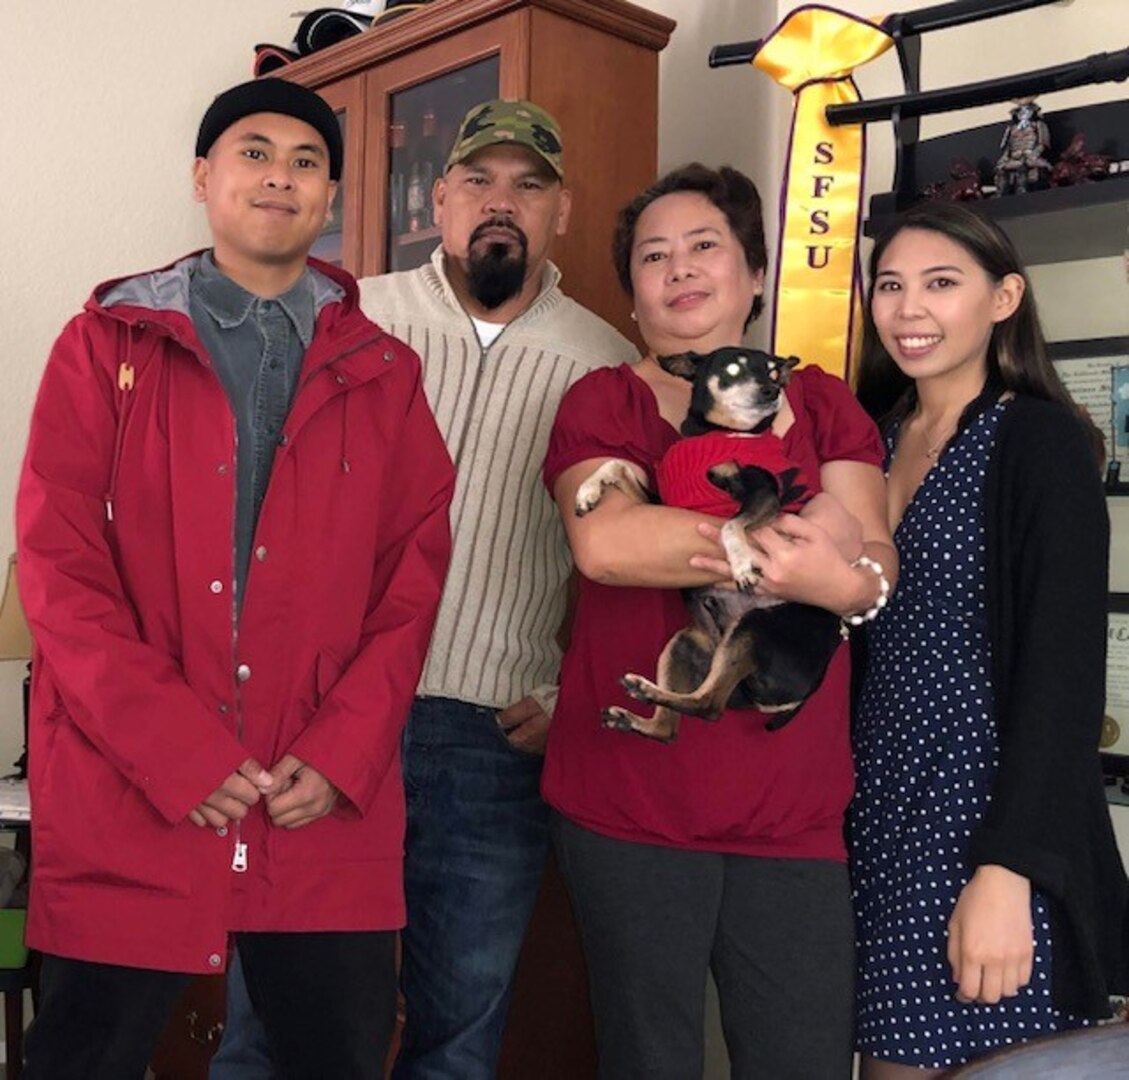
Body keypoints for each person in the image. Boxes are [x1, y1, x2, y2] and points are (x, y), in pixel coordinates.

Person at [16, 77, 455, 1079]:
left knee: (338, 1054)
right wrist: (174, 751)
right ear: (204, 178)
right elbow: (59, 568)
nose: (280, 177)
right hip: (134, 789)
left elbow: (412, 579)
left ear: (330, 198)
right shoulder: (104, 347)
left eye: (306, 162)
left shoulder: (385, 371)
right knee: (85, 1054)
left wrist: (342, 752)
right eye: (254, 153)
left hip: (317, 793)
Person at [212, 98, 638, 1079]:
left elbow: (622, 562)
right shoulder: (346, 318)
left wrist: (578, 685)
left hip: (489, 742)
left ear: (560, 211)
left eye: (528, 185)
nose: (503, 201)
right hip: (321, 724)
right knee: (270, 1020)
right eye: (479, 181)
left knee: (457, 1034)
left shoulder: (604, 362)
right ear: (437, 200)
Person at [541, 162, 897, 1079]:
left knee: (802, 1059)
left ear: (750, 274)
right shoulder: (602, 403)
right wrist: (795, 552)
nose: (679, 269)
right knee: (645, 1058)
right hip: (628, 805)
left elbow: (869, 552)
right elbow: (608, 544)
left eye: (704, 246)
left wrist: (847, 579)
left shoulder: (821, 401)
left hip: (792, 809)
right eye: (653, 257)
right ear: (632, 297)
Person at [850, 200, 1129, 1078]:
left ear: (1003, 297)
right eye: (889, 287)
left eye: (940, 284)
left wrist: (1009, 871)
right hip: (871, 805)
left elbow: (1064, 672)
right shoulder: (870, 436)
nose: (908, 310)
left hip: (984, 811)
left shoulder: (1036, 439)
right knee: (883, 1059)